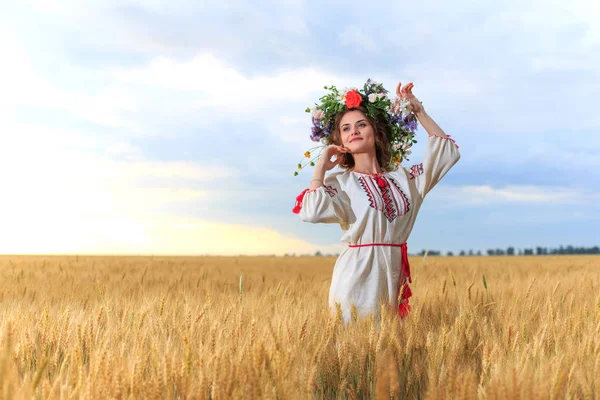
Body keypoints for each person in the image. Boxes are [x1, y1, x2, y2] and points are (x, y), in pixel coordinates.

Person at [292, 80, 460, 323]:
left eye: (362, 124)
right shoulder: (341, 182)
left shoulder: (405, 179)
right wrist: (321, 167)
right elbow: (311, 210)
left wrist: (419, 111)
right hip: (356, 281)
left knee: (389, 355)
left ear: (376, 132)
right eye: (346, 129)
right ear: (340, 140)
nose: (354, 131)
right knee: (355, 352)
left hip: (392, 278)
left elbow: (447, 154)